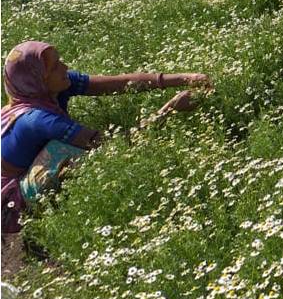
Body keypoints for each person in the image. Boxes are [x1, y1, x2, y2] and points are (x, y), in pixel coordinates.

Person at [1, 41, 211, 234]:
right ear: (38, 78)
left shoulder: (49, 89)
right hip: (8, 203)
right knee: (75, 155)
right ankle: (45, 220)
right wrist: (171, 109)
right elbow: (115, 145)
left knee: (77, 150)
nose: (65, 67)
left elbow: (121, 84)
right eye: (55, 66)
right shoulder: (37, 120)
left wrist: (185, 78)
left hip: (23, 171)